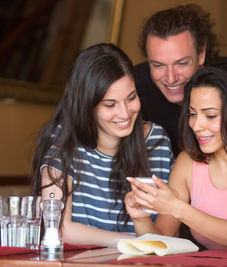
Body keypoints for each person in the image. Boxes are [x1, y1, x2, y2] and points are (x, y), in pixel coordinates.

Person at [125, 62, 227, 253]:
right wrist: (141, 218)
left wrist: (177, 208)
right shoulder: (188, 162)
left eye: (210, 115)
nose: (196, 126)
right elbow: (161, 239)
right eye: (192, 114)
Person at [31, 43, 174, 247]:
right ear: (87, 105)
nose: (125, 113)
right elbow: (59, 228)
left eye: (131, 98)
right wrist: (137, 243)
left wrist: (149, 243)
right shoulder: (64, 141)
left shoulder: (157, 141)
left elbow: (169, 233)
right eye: (110, 104)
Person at [135, 3, 227, 156]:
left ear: (201, 53)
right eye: (158, 65)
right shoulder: (133, 86)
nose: (171, 78)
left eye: (182, 63)